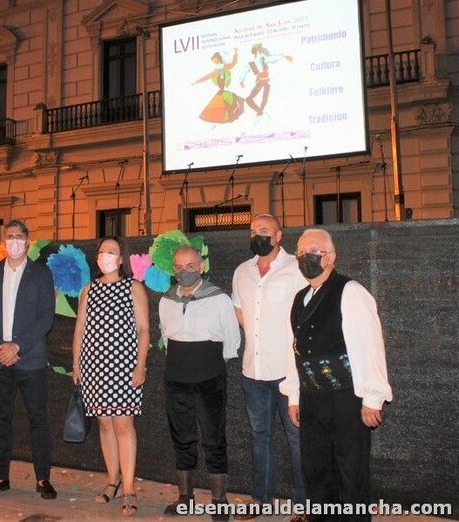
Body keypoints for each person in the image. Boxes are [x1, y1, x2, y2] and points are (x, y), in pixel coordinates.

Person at [281, 228, 393, 521]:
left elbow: (370, 344)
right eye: (301, 252)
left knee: (351, 474)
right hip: (312, 399)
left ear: (330, 257)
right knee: (316, 470)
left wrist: (373, 398)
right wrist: (294, 396)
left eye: (313, 251)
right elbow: (294, 350)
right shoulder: (299, 299)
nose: (305, 257)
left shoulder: (351, 291)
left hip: (346, 399)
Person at [231, 214, 307, 521]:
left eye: (264, 230)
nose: (257, 235)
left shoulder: (296, 268)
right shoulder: (242, 271)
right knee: (259, 437)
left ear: (278, 236)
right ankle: (261, 501)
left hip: (289, 372)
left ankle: (305, 506)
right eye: (253, 231)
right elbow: (239, 311)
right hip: (253, 372)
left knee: (297, 438)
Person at [0, 219, 57, 499]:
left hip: (30, 359)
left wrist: (17, 346)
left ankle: (43, 478)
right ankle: (0, 477)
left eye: (19, 236)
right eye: (9, 236)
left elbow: (46, 316)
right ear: (3, 241)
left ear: (28, 240)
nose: (14, 241)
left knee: (38, 419)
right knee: (0, 419)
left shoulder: (41, 274)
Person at [159, 245, 240, 520]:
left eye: (190, 266)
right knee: (182, 438)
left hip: (209, 378)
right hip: (176, 378)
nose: (184, 271)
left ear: (202, 267)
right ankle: (185, 497)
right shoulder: (166, 301)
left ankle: (219, 500)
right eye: (179, 267)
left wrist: (209, 364)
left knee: (214, 438)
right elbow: (166, 338)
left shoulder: (219, 299)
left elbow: (232, 340)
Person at [72, 236, 149, 517]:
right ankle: (112, 481)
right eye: (102, 251)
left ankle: (129, 488)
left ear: (121, 259)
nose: (105, 255)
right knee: (104, 425)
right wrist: (76, 364)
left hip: (124, 368)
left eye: (111, 251)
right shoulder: (88, 289)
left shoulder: (133, 287)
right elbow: (80, 329)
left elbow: (143, 330)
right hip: (93, 367)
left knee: (123, 425)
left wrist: (140, 366)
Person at [239, 43, 292, 120]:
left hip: (266, 82)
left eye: (260, 49)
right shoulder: (252, 62)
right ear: (257, 50)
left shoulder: (262, 59)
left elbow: (271, 59)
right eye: (259, 49)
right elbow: (246, 68)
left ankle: (260, 114)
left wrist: (284, 57)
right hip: (260, 83)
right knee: (249, 100)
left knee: (263, 99)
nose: (261, 50)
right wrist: (241, 80)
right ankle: (260, 114)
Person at [193, 48, 245, 124]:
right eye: (213, 61)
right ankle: (235, 113)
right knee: (227, 107)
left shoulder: (224, 67)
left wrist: (236, 53)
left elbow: (233, 63)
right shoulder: (217, 70)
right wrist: (197, 82)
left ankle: (235, 112)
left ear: (217, 58)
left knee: (226, 106)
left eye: (214, 60)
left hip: (225, 90)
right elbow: (207, 76)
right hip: (223, 90)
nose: (213, 62)